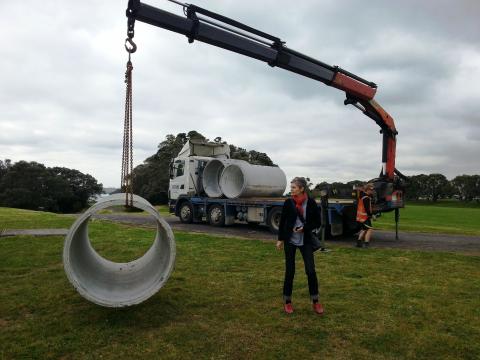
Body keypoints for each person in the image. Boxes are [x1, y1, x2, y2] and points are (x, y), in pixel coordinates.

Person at [276, 177, 324, 315]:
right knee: (290, 271)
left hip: (306, 241)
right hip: (290, 241)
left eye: (293, 188)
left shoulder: (311, 203)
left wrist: (305, 228)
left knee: (310, 271)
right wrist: (280, 239)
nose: (291, 190)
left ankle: (316, 301)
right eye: (291, 188)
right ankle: (287, 302)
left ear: (302, 188)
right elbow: (283, 222)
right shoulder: (288, 203)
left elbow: (317, 222)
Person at [356, 183, 375, 248]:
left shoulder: (362, 196)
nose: (372, 191)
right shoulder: (366, 198)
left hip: (360, 217)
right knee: (370, 229)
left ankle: (358, 243)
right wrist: (372, 215)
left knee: (364, 229)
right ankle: (366, 244)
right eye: (371, 190)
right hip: (365, 217)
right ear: (367, 190)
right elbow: (367, 209)